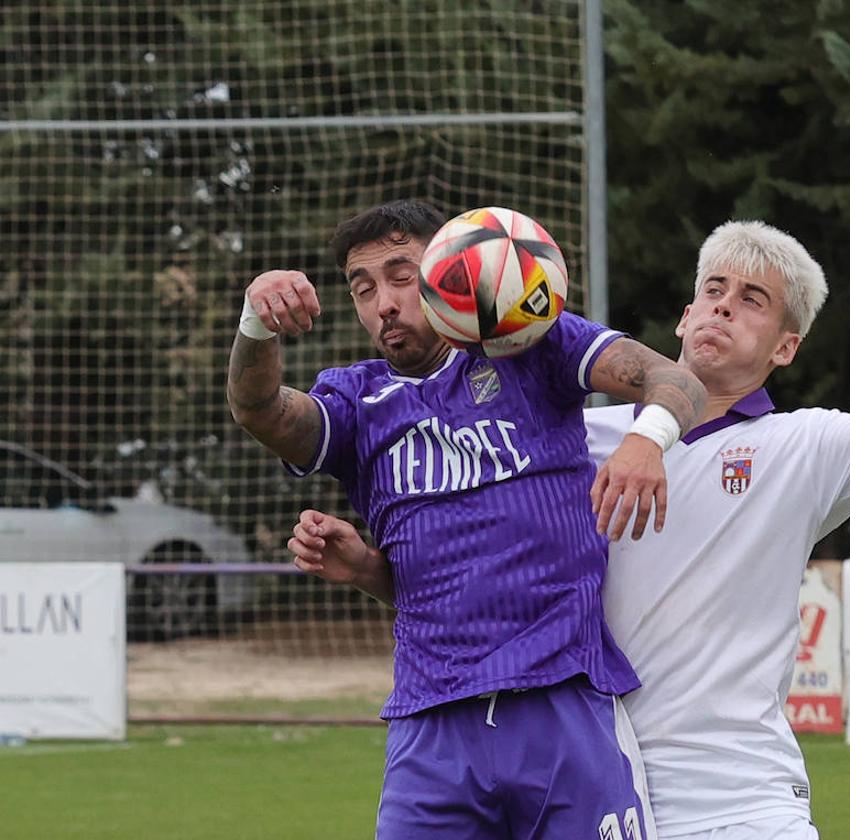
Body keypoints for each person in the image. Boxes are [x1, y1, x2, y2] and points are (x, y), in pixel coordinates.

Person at [288, 184, 850, 839]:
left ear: (785, 346)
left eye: (753, 299)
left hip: (745, 802)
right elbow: (488, 592)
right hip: (609, 787)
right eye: (711, 289)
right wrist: (371, 571)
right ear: (682, 316)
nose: (722, 306)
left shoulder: (801, 448)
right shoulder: (586, 432)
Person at [227, 199, 707, 840]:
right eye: (363, 288)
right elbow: (259, 410)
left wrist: (646, 441)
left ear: (456, 266)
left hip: (560, 697)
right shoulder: (358, 403)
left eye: (401, 275)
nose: (383, 303)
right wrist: (256, 320)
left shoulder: (533, 345)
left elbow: (674, 379)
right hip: (431, 725)